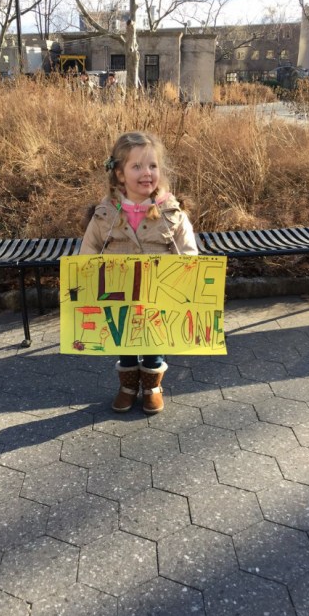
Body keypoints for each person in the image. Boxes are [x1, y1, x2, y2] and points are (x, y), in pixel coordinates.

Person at [80, 131, 198, 414]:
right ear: (120, 174)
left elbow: (188, 252)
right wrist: (85, 280)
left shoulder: (173, 213)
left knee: (154, 340)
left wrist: (185, 281)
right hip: (119, 296)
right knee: (126, 340)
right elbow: (88, 251)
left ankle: (153, 386)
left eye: (153, 166)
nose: (147, 173)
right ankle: (128, 386)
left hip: (158, 296)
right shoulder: (104, 215)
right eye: (137, 166)